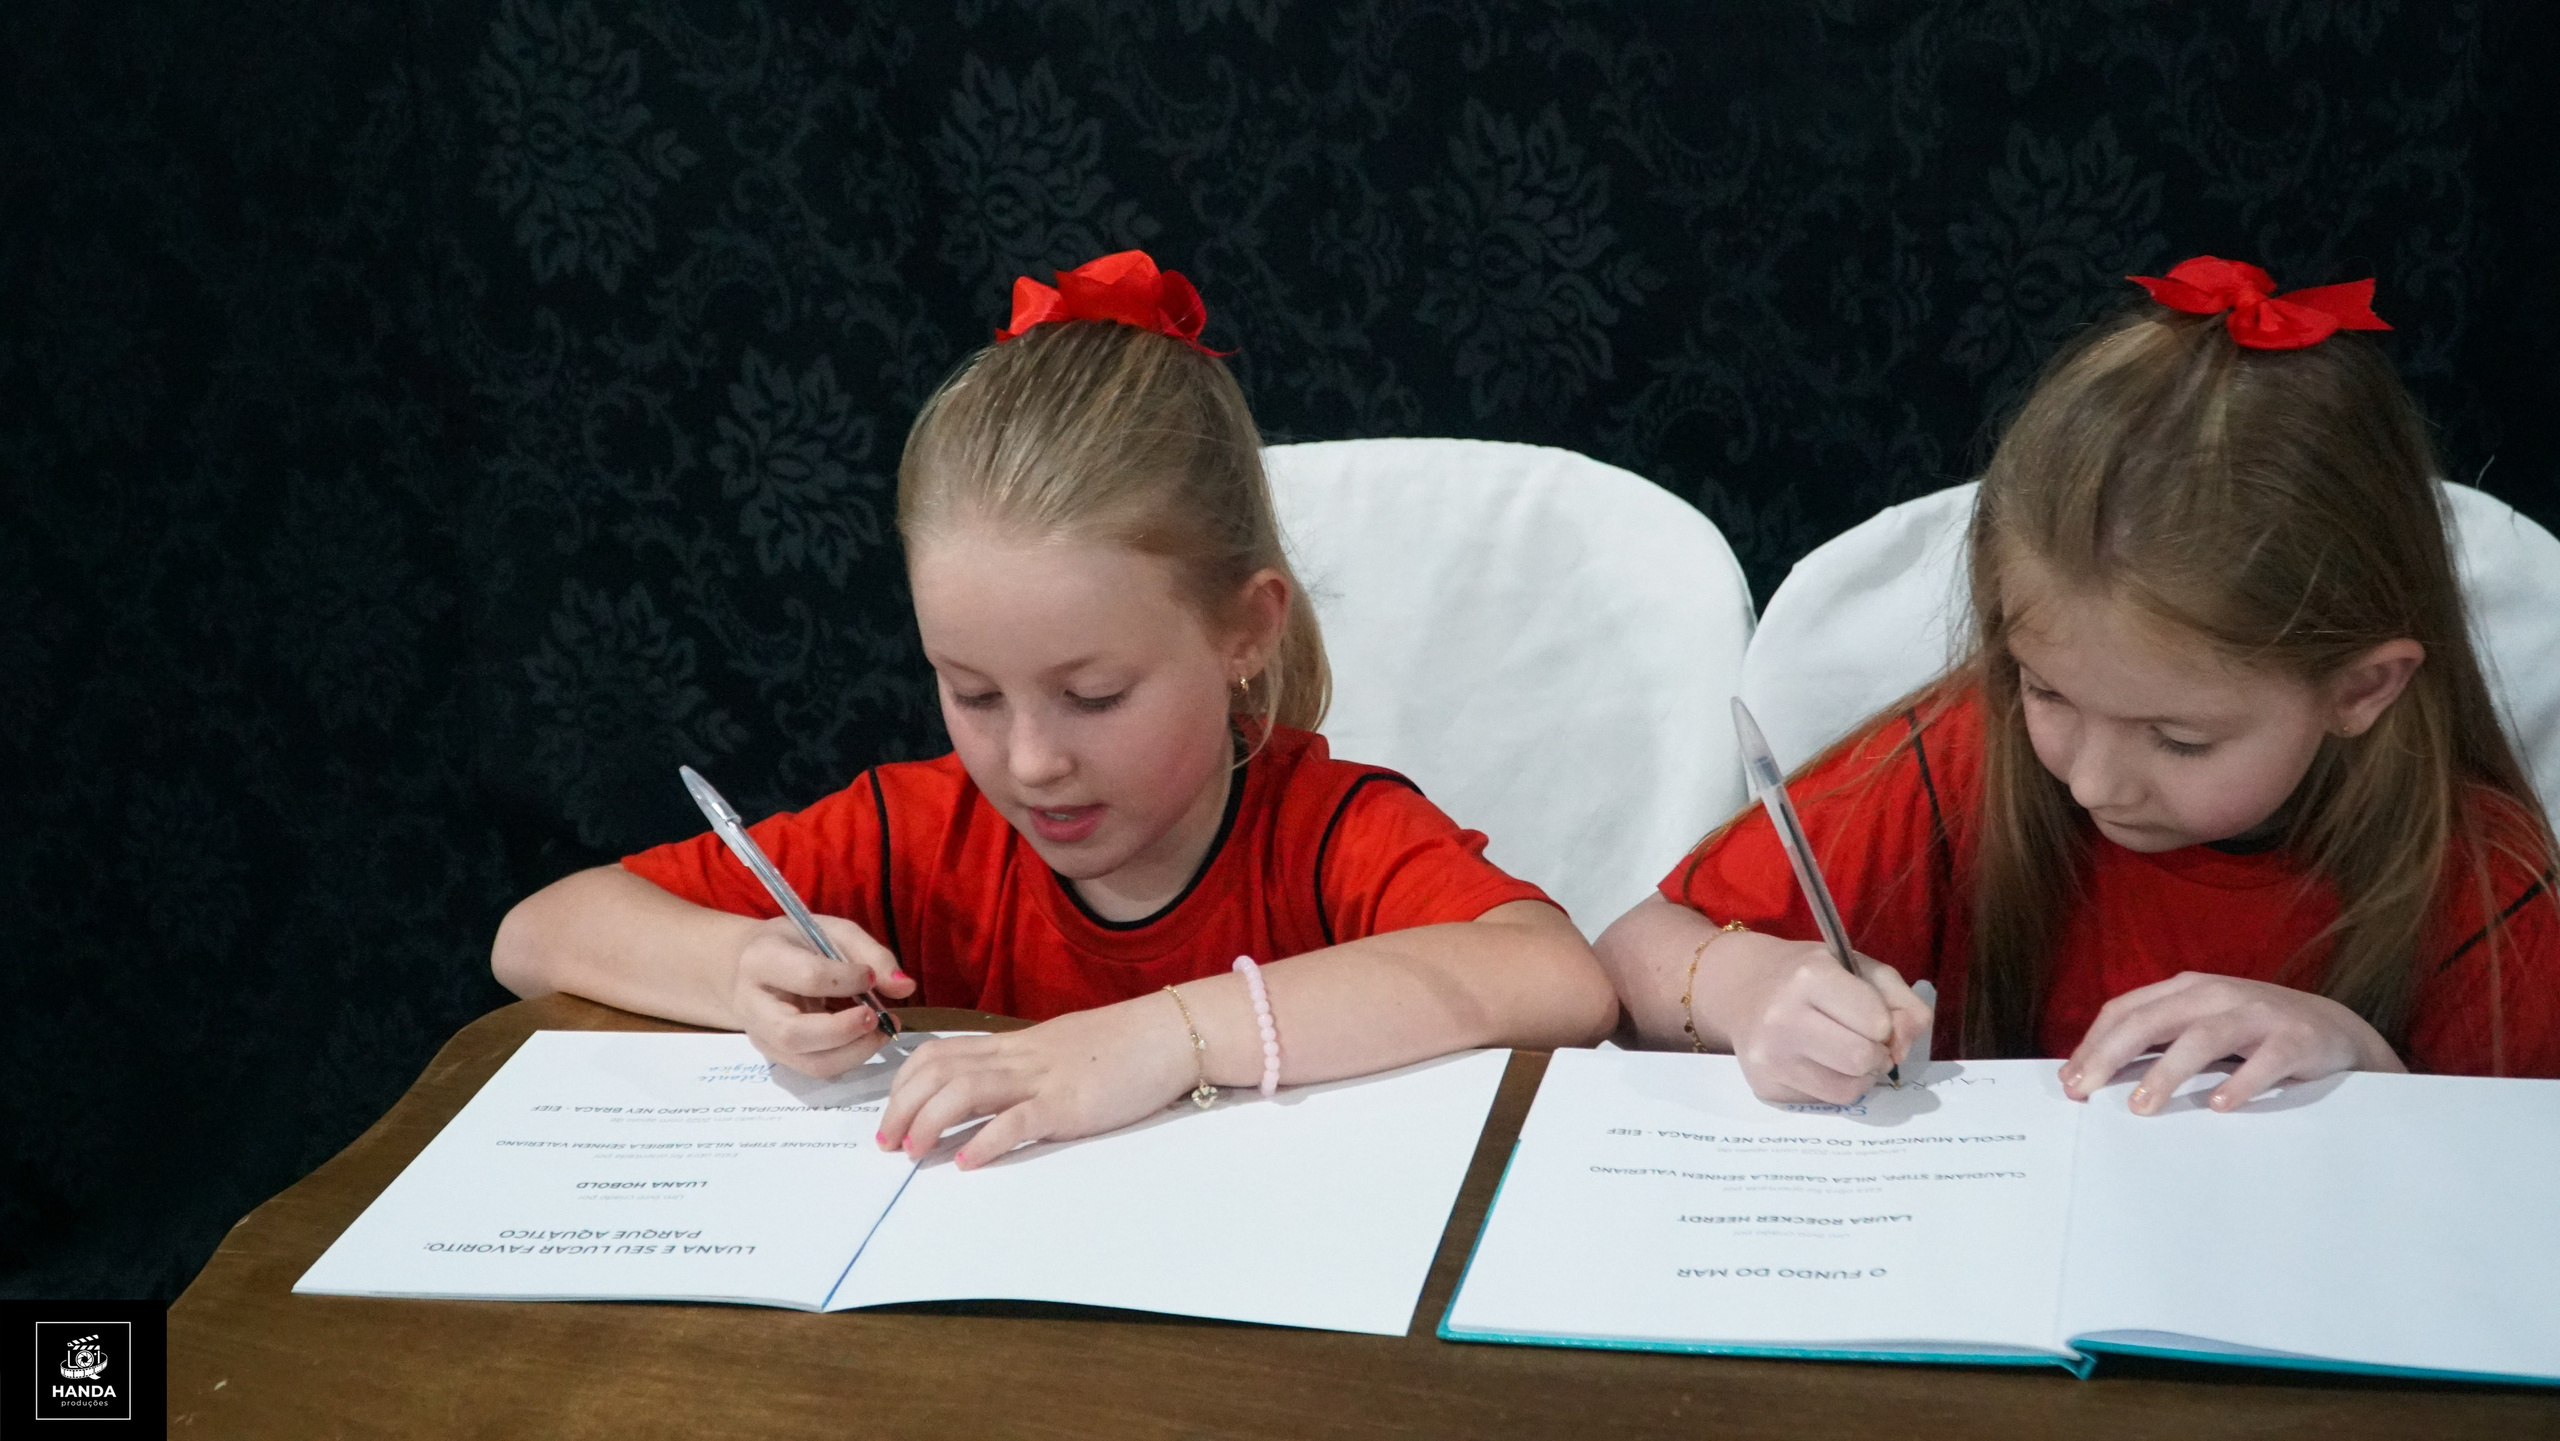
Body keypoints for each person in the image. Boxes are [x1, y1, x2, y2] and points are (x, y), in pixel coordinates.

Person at [493, 250, 1617, 1167]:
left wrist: (1159, 1038)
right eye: (971, 692)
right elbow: (536, 933)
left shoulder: (1323, 836)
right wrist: (738, 969)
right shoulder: (919, 833)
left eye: (1093, 695)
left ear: (1245, 630)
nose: (1029, 761)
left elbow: (1556, 979)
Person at [1596, 256, 2560, 1112]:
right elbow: (1635, 949)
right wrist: (1747, 986)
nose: (2093, 780)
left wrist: (2368, 1073)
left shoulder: (2481, 883)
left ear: (2362, 689)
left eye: (2180, 739)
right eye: (2046, 689)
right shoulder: (1976, 752)